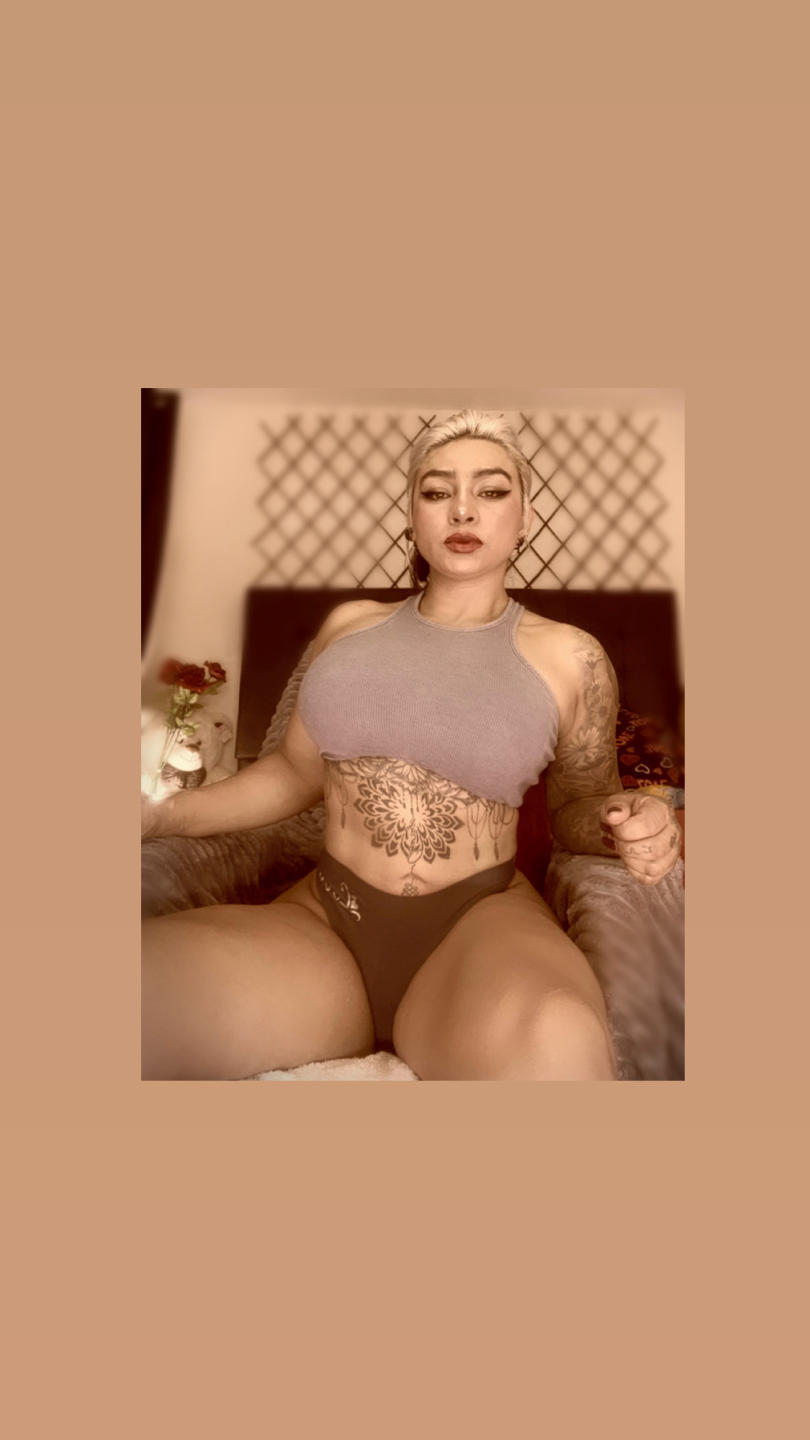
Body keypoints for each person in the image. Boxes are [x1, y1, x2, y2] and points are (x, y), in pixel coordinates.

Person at [141, 410, 681, 1081]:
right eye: (436, 491)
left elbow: (579, 806)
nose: (463, 509)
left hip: (477, 924)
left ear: (525, 518)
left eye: (491, 491)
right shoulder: (347, 629)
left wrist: (631, 817)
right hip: (327, 920)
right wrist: (159, 816)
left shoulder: (572, 656)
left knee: (561, 1045)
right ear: (412, 516)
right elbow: (292, 775)